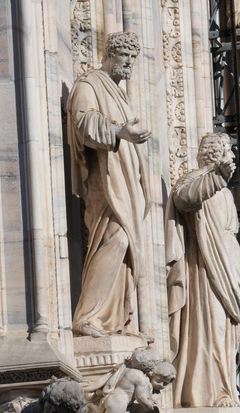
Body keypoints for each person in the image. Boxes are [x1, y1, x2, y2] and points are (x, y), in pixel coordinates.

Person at [67, 32, 152, 338]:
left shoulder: (120, 94)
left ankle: (116, 320)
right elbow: (84, 122)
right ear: (109, 55)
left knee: (127, 246)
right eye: (124, 56)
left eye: (133, 57)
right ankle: (88, 316)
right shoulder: (89, 84)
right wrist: (119, 132)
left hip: (125, 182)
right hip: (103, 181)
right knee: (114, 239)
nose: (129, 62)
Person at [166, 133, 240, 408]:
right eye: (227, 150)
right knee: (209, 328)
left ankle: (225, 389)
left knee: (228, 333)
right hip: (203, 270)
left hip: (227, 269)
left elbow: (228, 235)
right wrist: (215, 178)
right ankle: (206, 394)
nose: (231, 156)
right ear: (215, 154)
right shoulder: (194, 180)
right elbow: (183, 199)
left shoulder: (227, 193)